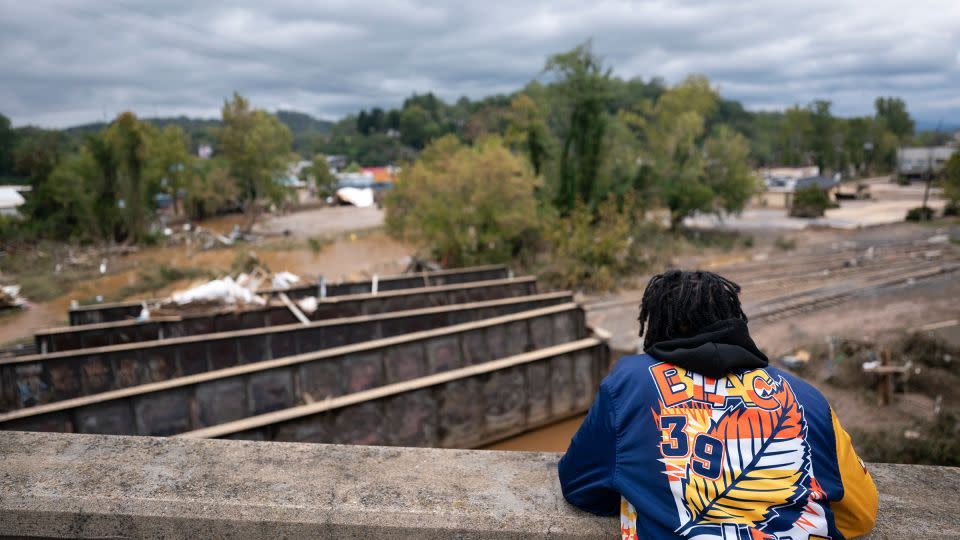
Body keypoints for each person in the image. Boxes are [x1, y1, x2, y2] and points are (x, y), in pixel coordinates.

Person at [558, 270, 877, 539]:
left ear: (655, 325)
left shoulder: (629, 383)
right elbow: (860, 514)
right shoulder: (805, 397)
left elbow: (579, 485)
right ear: (735, 321)